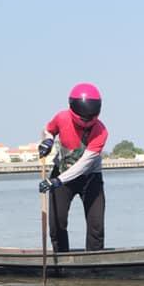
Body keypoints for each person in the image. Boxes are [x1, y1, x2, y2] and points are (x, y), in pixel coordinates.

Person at [38, 83, 109, 252]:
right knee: (57, 224)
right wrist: (47, 140)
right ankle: (61, 261)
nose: (86, 119)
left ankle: (94, 263)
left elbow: (84, 164)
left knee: (96, 226)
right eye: (83, 116)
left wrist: (56, 181)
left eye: (90, 115)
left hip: (90, 177)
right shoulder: (62, 118)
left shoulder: (101, 131)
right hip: (61, 173)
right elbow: (48, 130)